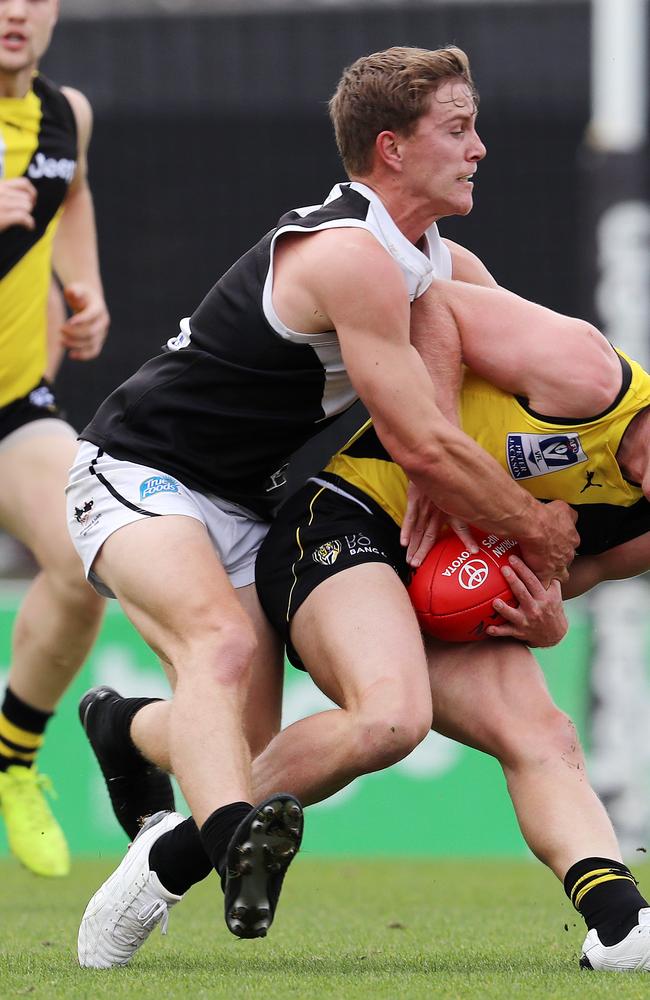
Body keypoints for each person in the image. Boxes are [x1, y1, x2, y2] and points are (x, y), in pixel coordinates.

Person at [66, 45, 578, 968]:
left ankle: (123, 727)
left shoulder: (440, 257)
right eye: (457, 129)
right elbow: (422, 441)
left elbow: (514, 383)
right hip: (138, 471)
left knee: (239, 737)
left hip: (248, 505)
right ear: (391, 148)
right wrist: (534, 528)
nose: (481, 148)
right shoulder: (348, 253)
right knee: (215, 649)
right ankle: (222, 854)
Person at [87, 280, 650, 972]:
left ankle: (622, 925)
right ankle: (172, 851)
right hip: (349, 522)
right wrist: (437, 454)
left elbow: (566, 579)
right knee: (391, 717)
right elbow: (437, 303)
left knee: (543, 732)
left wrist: (548, 621)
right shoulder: (587, 373)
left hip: (454, 584)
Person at [0, 0, 109, 878]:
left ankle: (11, 763)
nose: (13, 10)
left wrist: (85, 287)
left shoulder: (64, 114)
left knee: (91, 551)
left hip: (12, 410)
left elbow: (71, 195)